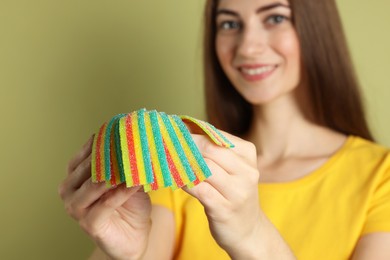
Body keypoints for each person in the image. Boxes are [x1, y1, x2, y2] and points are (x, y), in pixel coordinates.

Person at [58, 0, 390, 259]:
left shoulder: (381, 177)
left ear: (317, 27)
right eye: (229, 24)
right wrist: (127, 256)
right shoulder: (177, 163)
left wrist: (251, 236)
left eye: (274, 17)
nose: (248, 46)